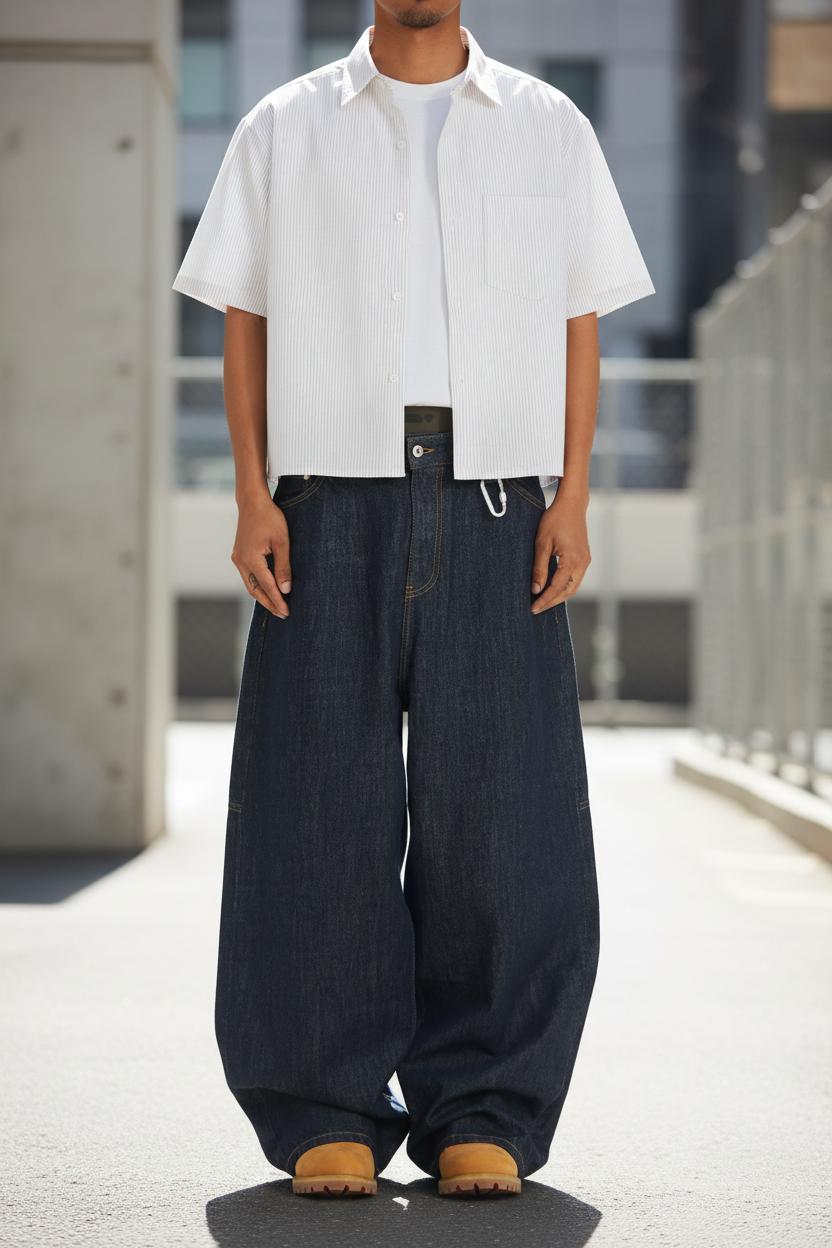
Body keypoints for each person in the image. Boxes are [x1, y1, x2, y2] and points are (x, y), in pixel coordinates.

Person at [172, 1, 654, 1200]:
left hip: (500, 497)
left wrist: (573, 492)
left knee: (504, 815)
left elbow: (575, 321)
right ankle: (323, 1102)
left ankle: (484, 1102)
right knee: (313, 803)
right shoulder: (284, 127)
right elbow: (247, 315)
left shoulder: (548, 125)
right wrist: (252, 489)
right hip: (325, 496)